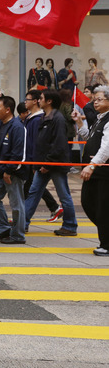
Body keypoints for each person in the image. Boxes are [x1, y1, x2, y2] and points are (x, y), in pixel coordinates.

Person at [23, 90, 79, 236]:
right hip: (44, 164)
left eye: (41, 98)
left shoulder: (57, 118)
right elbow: (41, 144)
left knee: (64, 195)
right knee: (34, 192)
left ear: (49, 101)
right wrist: (38, 165)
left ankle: (70, 225)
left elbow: (58, 144)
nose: (39, 100)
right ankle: (23, 223)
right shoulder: (45, 117)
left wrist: (47, 164)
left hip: (54, 164)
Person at [0, 96, 27, 244]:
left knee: (16, 205)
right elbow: (2, 146)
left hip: (12, 173)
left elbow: (18, 153)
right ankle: (3, 229)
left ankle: (18, 235)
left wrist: (9, 171)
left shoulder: (17, 127)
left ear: (8, 109)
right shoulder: (1, 124)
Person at [75, 85, 109, 256]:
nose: (95, 102)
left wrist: (92, 165)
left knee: (102, 207)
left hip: (103, 174)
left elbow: (106, 148)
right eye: (94, 99)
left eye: (100, 99)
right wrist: (79, 123)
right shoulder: (99, 118)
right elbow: (90, 137)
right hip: (95, 172)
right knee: (88, 203)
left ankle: (106, 244)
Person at [22, 89, 62, 222]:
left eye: (27, 99)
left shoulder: (39, 119)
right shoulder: (32, 118)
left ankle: (23, 220)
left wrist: (36, 163)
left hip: (37, 161)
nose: (25, 102)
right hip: (32, 160)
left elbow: (37, 143)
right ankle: (24, 220)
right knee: (33, 188)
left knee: (35, 188)